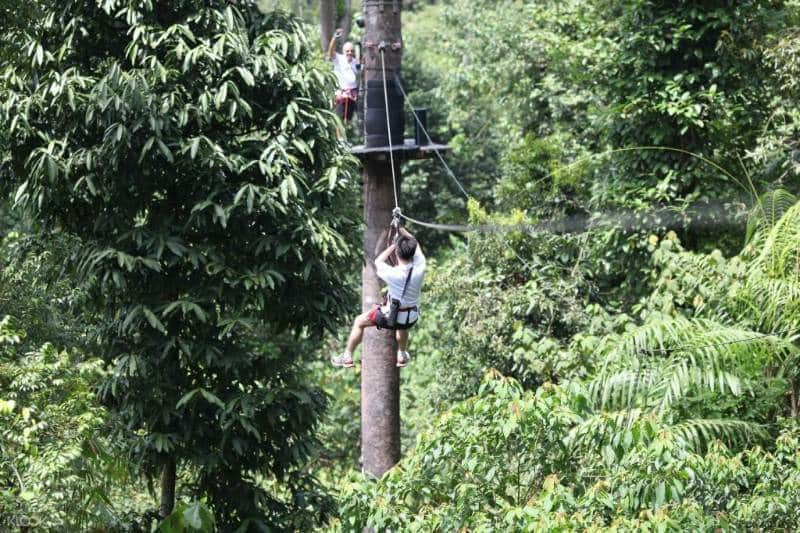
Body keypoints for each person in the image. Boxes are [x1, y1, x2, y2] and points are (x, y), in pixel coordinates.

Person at [332, 224, 426, 369]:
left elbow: (378, 260)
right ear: (412, 252)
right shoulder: (420, 267)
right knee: (403, 326)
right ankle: (401, 354)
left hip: (390, 317)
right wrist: (401, 228)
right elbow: (414, 241)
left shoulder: (392, 273)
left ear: (397, 253)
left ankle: (347, 355)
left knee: (359, 321)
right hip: (411, 317)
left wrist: (393, 245)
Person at [327, 28, 361, 125]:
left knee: (348, 121)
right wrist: (334, 38)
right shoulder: (339, 59)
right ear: (343, 51)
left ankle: (345, 139)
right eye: (347, 51)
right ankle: (340, 139)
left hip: (352, 95)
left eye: (352, 51)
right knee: (339, 121)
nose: (350, 53)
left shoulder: (356, 62)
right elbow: (330, 52)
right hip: (341, 95)